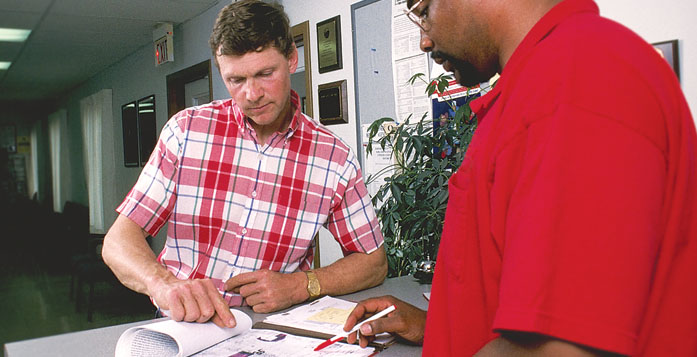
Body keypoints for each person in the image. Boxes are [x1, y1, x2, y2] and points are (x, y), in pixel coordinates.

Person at [344, 0, 697, 355]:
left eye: (423, 9)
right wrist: (437, 326)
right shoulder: (540, 81)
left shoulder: (575, 76)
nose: (423, 40)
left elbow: (563, 349)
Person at [102, 0, 386, 329]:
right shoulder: (186, 132)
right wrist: (162, 284)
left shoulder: (333, 157)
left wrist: (300, 285)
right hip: (183, 327)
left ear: (292, 59)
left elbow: (373, 262)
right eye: (236, 80)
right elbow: (118, 240)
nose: (252, 94)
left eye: (265, 74)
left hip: (272, 331)